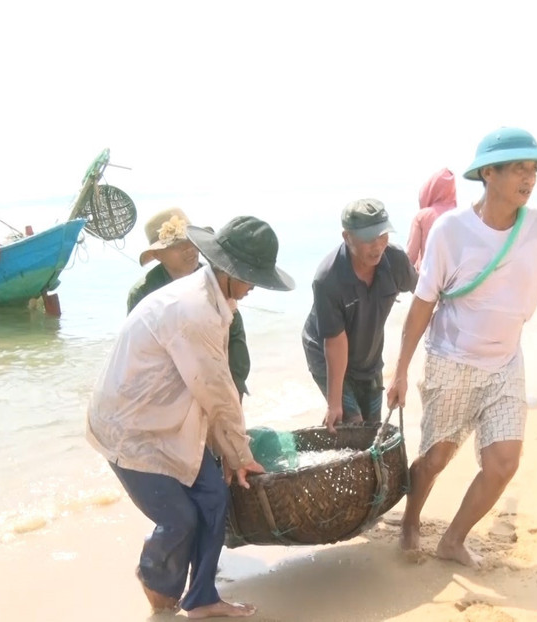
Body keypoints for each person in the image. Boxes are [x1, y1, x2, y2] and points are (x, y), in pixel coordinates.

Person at [387, 127, 537, 568]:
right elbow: (421, 306)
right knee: (435, 459)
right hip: (452, 361)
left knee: (503, 464)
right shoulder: (450, 231)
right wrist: (400, 371)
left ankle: (452, 540)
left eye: (533, 169)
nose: (529, 178)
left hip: (505, 364)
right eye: (518, 168)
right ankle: (410, 520)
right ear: (488, 174)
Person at [87, 215, 294, 618]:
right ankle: (154, 580)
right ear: (229, 271)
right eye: (252, 278)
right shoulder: (194, 309)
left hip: (172, 417)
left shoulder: (216, 298)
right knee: (180, 518)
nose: (253, 287)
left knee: (215, 496)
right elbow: (218, 393)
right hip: (129, 428)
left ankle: (201, 598)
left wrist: (232, 452)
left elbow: (214, 387)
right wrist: (240, 454)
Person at [302, 199, 418, 433]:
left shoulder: (395, 261)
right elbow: (335, 342)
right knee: (353, 425)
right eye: (368, 239)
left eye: (382, 236)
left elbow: (425, 296)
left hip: (368, 358)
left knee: (373, 429)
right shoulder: (327, 279)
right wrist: (334, 403)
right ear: (347, 237)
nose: (377, 246)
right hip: (326, 354)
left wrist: (401, 372)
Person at [127, 208, 251, 399]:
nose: (189, 249)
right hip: (166, 386)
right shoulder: (144, 293)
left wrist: (236, 385)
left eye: (190, 241)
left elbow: (235, 336)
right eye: (177, 245)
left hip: (217, 375)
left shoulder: (216, 280)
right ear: (158, 255)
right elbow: (139, 353)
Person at [405, 168, 457, 270]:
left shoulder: (422, 216)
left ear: (429, 190)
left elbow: (410, 258)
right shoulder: (462, 216)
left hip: (429, 277)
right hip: (459, 278)